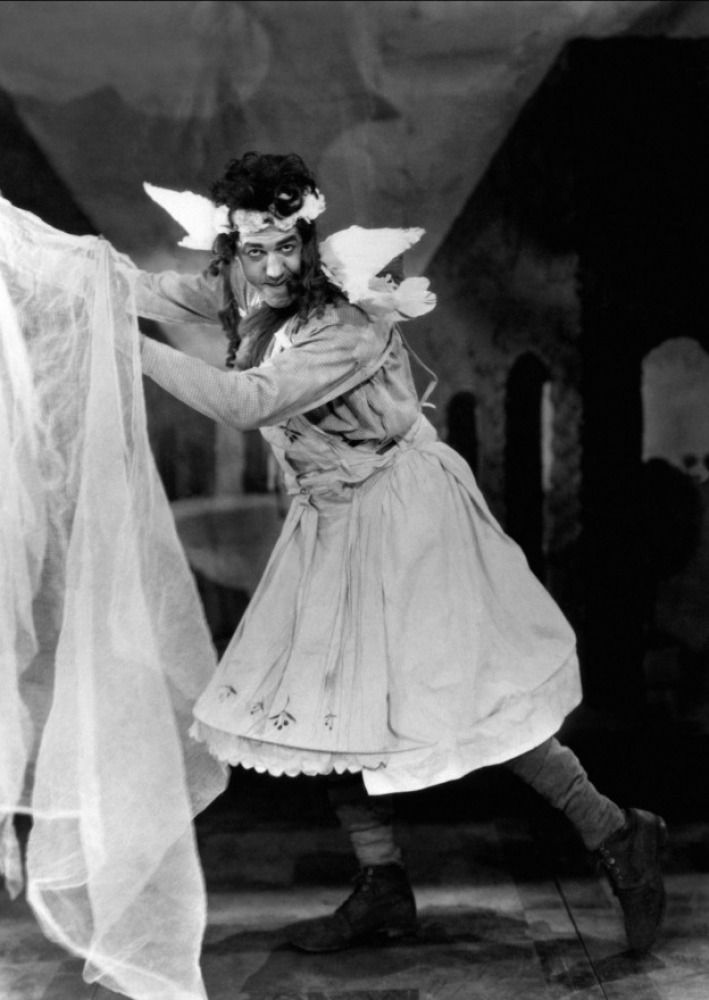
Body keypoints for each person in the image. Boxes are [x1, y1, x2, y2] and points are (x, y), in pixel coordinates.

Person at [135, 151, 667, 955]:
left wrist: (128, 348)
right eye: (254, 250)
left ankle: (616, 832)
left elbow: (250, 402)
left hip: (403, 513)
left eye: (287, 247)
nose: (272, 268)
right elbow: (151, 289)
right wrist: (68, 276)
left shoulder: (347, 320)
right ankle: (381, 884)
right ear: (234, 246)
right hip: (332, 516)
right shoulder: (244, 282)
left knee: (468, 697)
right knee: (322, 708)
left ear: (310, 238)